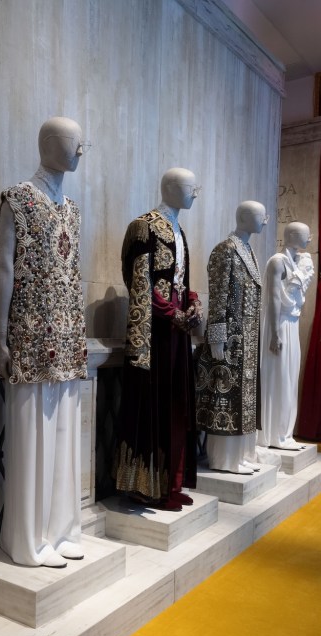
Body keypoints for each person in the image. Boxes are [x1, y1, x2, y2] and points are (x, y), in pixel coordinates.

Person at [0, 117, 88, 568]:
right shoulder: (18, 199)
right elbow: (3, 269)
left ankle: (63, 527)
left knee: (65, 435)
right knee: (33, 438)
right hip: (29, 340)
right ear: (48, 145)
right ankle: (28, 538)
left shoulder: (72, 209)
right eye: (73, 143)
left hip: (67, 340)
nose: (81, 151)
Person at [114, 168, 203, 511]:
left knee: (177, 405)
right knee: (154, 405)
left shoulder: (179, 231)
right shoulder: (144, 226)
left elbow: (181, 279)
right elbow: (140, 281)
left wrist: (192, 301)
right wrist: (171, 313)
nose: (195, 193)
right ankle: (145, 486)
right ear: (170, 188)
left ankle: (171, 480)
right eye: (190, 187)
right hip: (153, 336)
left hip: (177, 334)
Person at [195, 201, 267, 474]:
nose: (264, 221)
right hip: (230, 338)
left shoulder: (248, 250)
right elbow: (218, 294)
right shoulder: (225, 250)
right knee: (227, 394)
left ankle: (242, 454)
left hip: (247, 337)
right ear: (246, 218)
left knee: (244, 397)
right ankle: (224, 459)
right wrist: (216, 336)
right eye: (261, 216)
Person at [258, 222, 314, 451]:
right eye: (305, 235)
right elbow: (272, 299)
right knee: (278, 377)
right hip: (278, 324)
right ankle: (273, 435)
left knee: (290, 377)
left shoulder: (298, 262)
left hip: (291, 323)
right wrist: (274, 333)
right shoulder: (277, 262)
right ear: (291, 236)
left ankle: (285, 433)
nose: (309, 240)